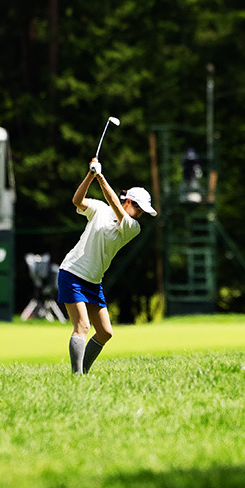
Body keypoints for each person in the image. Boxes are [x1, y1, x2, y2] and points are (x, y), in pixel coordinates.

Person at [57, 157, 157, 375]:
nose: (140, 215)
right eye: (139, 209)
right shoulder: (100, 209)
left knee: (104, 332)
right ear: (129, 201)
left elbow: (114, 204)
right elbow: (77, 200)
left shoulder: (132, 227)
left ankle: (81, 371)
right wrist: (90, 176)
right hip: (73, 272)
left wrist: (100, 177)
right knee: (83, 326)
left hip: (93, 281)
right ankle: (77, 379)